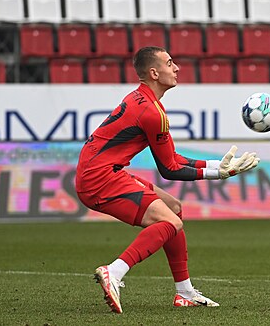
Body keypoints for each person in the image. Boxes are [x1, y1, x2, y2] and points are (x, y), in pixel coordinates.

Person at [75, 46, 260, 313]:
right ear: (154, 72)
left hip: (101, 171)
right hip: (99, 178)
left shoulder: (148, 103)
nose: (176, 68)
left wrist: (216, 165)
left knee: (173, 208)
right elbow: (170, 170)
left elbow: (171, 156)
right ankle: (114, 271)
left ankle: (184, 292)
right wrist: (217, 174)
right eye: (170, 63)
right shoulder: (152, 113)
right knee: (170, 222)